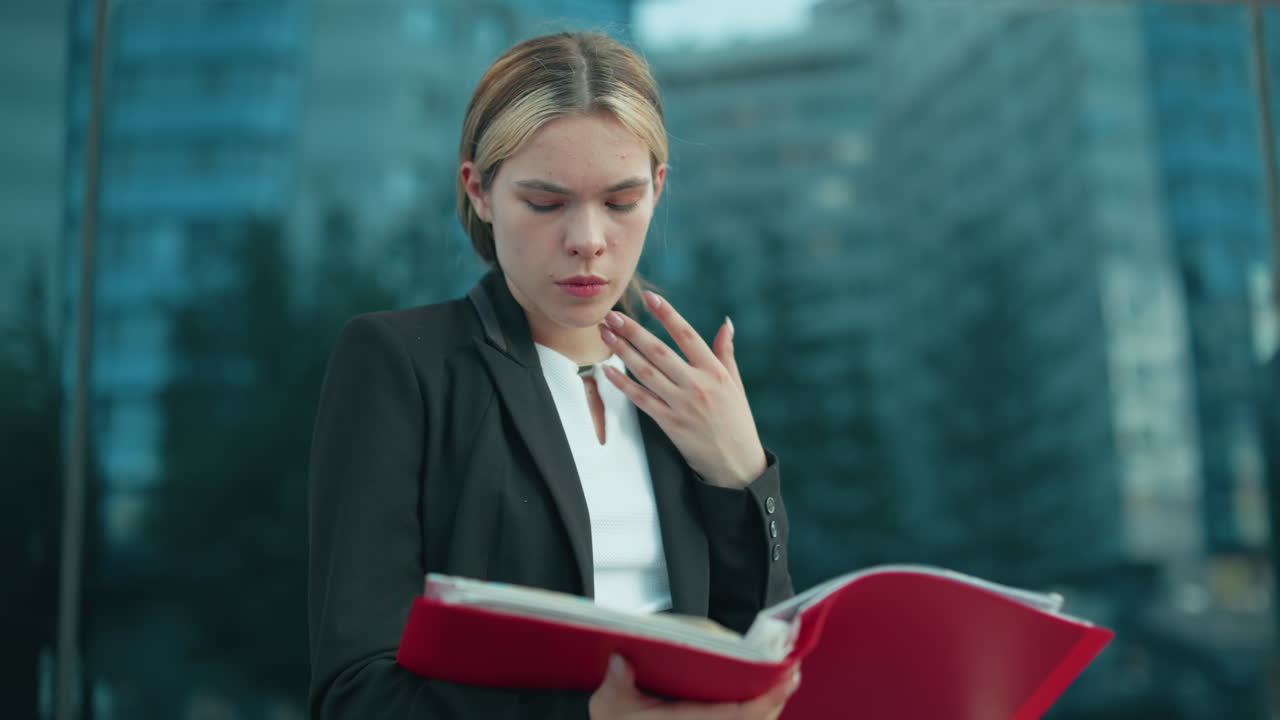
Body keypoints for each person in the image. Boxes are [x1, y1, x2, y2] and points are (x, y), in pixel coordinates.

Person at [307, 31, 796, 719]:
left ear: (657, 190)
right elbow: (354, 697)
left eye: (621, 202)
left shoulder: (685, 397)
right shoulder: (400, 365)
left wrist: (744, 473)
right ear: (479, 189)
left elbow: (756, 661)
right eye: (545, 203)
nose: (587, 240)